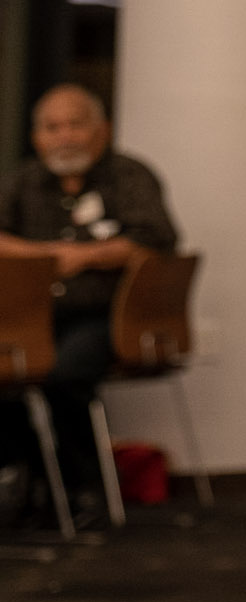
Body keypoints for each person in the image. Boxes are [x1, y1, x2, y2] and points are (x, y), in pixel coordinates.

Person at [0, 84, 180, 522]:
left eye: (75, 124)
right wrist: (49, 255)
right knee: (7, 372)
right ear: (37, 137)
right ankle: (31, 475)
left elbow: (156, 241)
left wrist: (87, 256)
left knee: (65, 373)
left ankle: (83, 488)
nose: (64, 136)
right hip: (34, 316)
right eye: (52, 127)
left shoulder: (128, 176)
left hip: (110, 317)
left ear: (102, 130)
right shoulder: (23, 181)